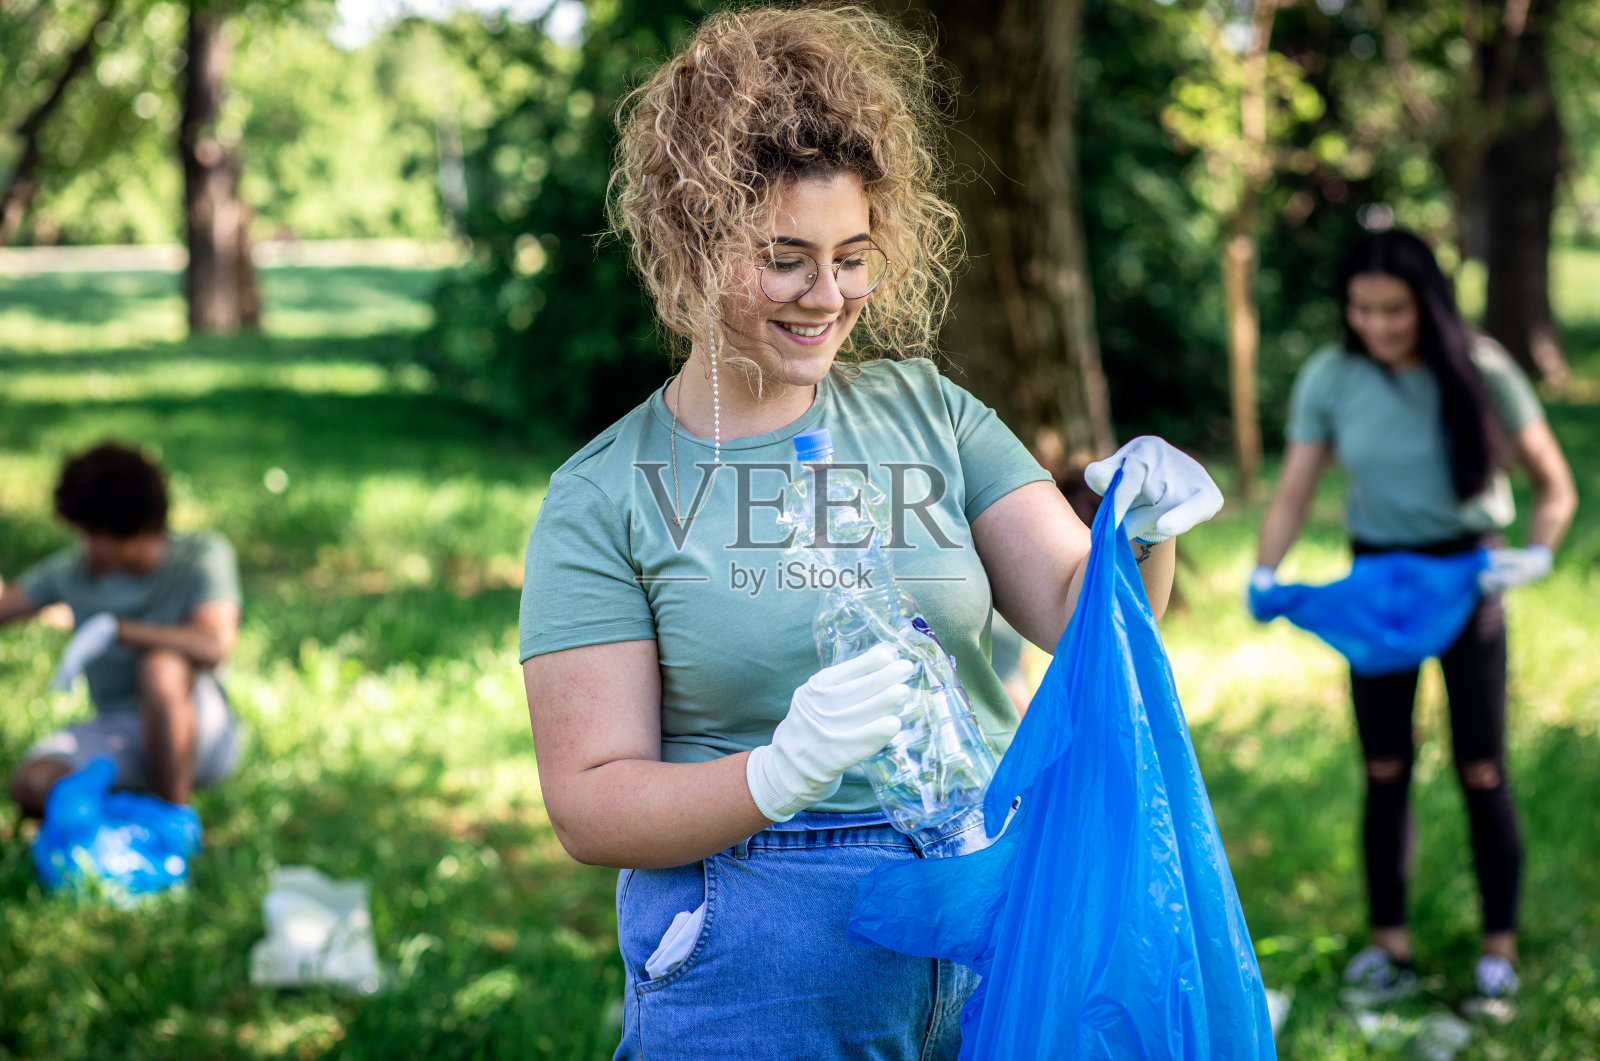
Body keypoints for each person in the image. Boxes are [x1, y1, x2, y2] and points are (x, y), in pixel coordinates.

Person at [518, 7, 1223, 1058]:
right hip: (757, 958)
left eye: (851, 256)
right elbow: (589, 802)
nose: (829, 294)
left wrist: (1141, 529)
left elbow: (1081, 618)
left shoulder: (928, 411)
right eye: (786, 259)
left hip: (993, 924)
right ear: (693, 242)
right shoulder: (605, 493)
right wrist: (776, 772)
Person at [1250, 228, 1577, 1014]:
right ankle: (1388, 945)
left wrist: (1535, 553)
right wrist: (1266, 566)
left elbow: (1556, 485)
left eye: (1394, 310)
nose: (1379, 325)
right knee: (1385, 768)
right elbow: (1295, 488)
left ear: (1427, 302)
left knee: (1481, 768)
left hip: (1467, 582)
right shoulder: (1331, 375)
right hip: (1379, 588)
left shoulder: (1481, 366)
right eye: (1362, 310)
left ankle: (1498, 951)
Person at [1, 441, 243, 816]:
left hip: (199, 729)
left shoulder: (200, 556)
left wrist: (117, 629)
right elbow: (7, 606)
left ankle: (174, 820)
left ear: (141, 527)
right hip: (116, 731)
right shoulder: (74, 571)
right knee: (33, 784)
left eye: (97, 536)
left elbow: (214, 643)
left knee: (161, 665)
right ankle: (125, 816)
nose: (87, 547)